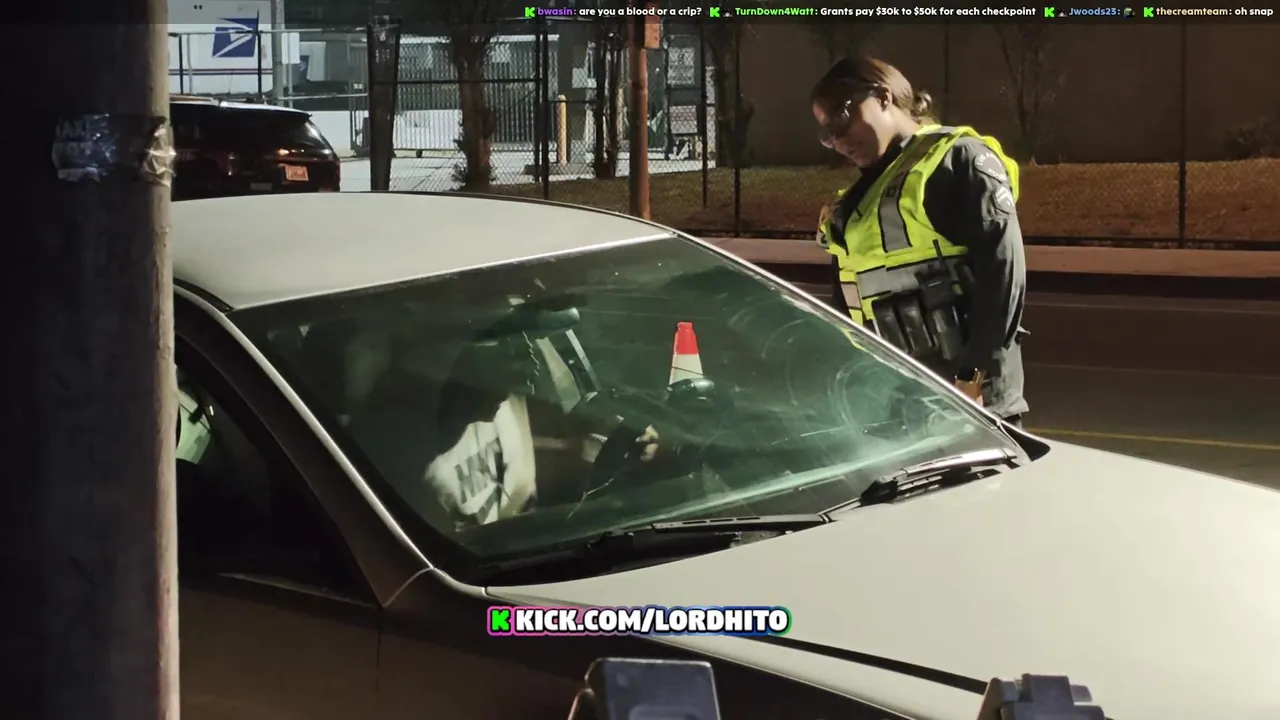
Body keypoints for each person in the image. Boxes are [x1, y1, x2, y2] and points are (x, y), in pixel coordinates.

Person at [810, 56, 1029, 426]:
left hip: (970, 402)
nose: (838, 141)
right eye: (826, 133)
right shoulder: (856, 202)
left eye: (842, 119)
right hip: (894, 405)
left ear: (882, 96)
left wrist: (972, 376)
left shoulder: (956, 160)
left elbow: (1003, 275)